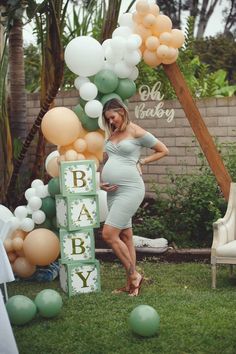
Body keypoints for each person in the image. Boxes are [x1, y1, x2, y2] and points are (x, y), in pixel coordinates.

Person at [100, 98, 169, 296]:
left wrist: (143, 161)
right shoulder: (113, 133)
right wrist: (101, 182)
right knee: (125, 236)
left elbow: (163, 150)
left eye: (112, 117)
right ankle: (130, 285)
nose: (111, 122)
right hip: (113, 192)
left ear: (122, 111)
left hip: (130, 189)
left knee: (108, 234)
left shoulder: (137, 132)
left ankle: (134, 275)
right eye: (108, 120)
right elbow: (111, 160)